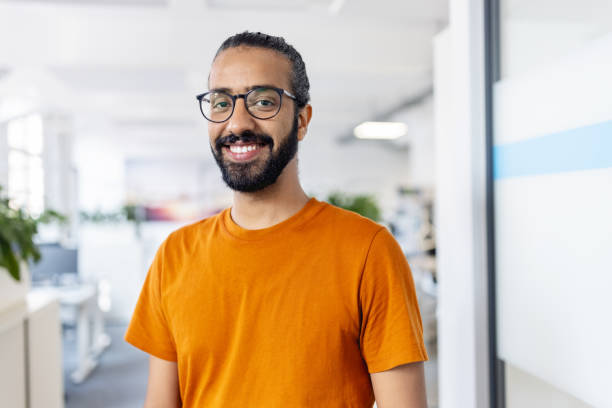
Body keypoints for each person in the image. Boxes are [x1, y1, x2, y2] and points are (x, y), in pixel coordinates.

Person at [125, 31, 429, 408]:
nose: (237, 122)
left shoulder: (368, 252)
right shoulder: (175, 255)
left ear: (302, 120)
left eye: (263, 101)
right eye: (221, 102)